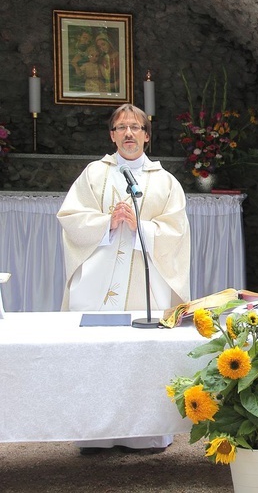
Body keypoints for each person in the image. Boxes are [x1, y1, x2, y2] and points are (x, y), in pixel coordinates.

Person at [57, 103, 191, 453]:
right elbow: (70, 216)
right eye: (121, 128)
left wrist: (140, 226)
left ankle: (145, 433)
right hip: (98, 282)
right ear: (112, 135)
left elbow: (176, 232)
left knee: (141, 357)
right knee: (95, 355)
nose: (128, 134)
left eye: (135, 127)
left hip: (145, 285)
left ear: (147, 135)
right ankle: (94, 434)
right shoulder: (93, 174)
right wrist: (107, 222)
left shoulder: (165, 182)